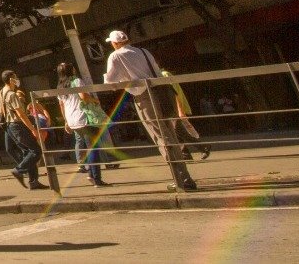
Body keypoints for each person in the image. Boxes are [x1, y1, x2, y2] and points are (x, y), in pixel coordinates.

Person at [102, 30, 197, 190]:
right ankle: (185, 177)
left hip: (145, 97)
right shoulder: (143, 51)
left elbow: (110, 81)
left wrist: (115, 78)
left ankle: (182, 179)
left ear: (115, 43)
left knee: (161, 137)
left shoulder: (116, 56)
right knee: (171, 135)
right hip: (163, 93)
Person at [55, 62, 108, 188]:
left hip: (72, 120)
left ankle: (91, 173)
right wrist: (95, 100)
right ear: (71, 70)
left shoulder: (60, 87)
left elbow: (61, 105)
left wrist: (66, 121)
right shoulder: (77, 81)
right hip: (84, 118)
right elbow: (83, 96)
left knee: (86, 146)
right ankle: (96, 178)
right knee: (93, 148)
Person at [0, 71, 47, 191]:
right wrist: (32, 129)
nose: (17, 79)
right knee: (36, 151)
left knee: (27, 151)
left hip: (10, 126)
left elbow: (1, 110)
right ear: (11, 80)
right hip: (18, 125)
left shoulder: (2, 92)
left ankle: (33, 181)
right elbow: (21, 114)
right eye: (15, 77)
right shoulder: (12, 94)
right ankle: (19, 170)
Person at [160, 68, 213, 158]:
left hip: (174, 109)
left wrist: (180, 110)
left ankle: (203, 147)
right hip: (168, 109)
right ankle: (186, 153)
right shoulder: (160, 75)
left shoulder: (164, 74)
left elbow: (174, 94)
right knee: (175, 132)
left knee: (179, 130)